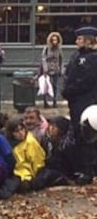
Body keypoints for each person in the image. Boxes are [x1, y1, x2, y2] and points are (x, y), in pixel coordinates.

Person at [62, 26, 97, 183]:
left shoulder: (93, 57)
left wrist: (69, 90)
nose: (77, 42)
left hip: (87, 101)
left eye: (80, 39)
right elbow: (69, 74)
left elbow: (86, 81)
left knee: (87, 134)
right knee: (77, 133)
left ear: (88, 40)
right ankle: (80, 167)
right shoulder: (77, 55)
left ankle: (88, 170)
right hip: (74, 101)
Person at [0, 118, 45, 200]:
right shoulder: (8, 142)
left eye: (22, 129)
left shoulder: (30, 142)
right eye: (17, 131)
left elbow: (37, 160)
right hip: (11, 169)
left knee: (15, 183)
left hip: (25, 171)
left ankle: (2, 194)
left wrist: (35, 176)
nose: (21, 133)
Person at [31, 116, 77, 190]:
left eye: (55, 127)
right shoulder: (46, 140)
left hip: (62, 172)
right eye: (50, 125)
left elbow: (70, 163)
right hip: (49, 167)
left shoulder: (66, 144)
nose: (51, 129)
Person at [39, 32, 63, 108]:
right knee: (46, 86)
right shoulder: (46, 49)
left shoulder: (59, 49)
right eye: (53, 40)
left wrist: (61, 69)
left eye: (56, 40)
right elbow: (43, 59)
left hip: (56, 69)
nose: (54, 42)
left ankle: (54, 101)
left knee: (55, 86)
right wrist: (45, 69)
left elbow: (61, 59)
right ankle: (45, 102)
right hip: (47, 69)